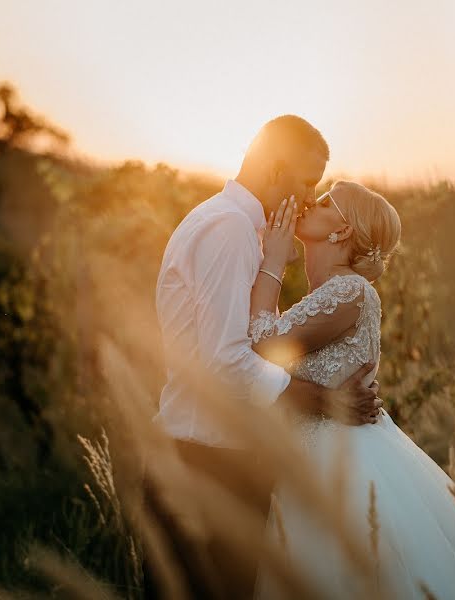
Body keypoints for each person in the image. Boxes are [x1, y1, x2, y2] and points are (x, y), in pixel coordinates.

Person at [249, 180, 455, 599]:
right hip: (318, 454)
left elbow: (263, 342)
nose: (307, 205)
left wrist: (273, 261)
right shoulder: (335, 292)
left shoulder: (349, 291)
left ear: (342, 230)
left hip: (339, 462)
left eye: (323, 202)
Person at [148, 116, 382, 599]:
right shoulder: (231, 231)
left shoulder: (242, 229)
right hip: (206, 462)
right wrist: (325, 401)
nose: (309, 196)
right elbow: (227, 363)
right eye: (307, 182)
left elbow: (258, 347)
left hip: (221, 457)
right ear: (276, 170)